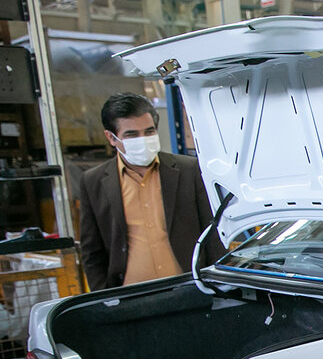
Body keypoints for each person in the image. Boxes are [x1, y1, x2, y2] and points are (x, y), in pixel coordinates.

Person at [79, 93, 220, 291]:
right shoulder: (93, 182)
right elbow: (92, 252)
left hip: (189, 289)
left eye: (149, 131)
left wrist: (217, 287)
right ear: (111, 137)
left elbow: (212, 232)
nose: (143, 140)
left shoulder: (189, 170)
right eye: (132, 135)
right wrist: (104, 297)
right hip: (130, 296)